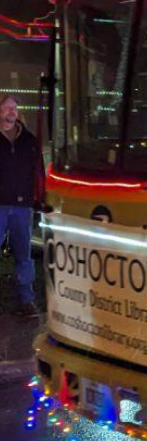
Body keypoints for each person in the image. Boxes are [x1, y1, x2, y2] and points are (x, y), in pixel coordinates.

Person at [0, 96, 44, 316]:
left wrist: (39, 198)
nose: (12, 111)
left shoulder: (28, 140)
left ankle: (27, 301)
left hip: (22, 206)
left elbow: (38, 172)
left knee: (23, 256)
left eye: (15, 108)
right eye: (7, 107)